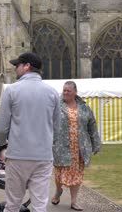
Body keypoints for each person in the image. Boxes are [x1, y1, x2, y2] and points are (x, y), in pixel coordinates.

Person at [0, 52, 61, 212]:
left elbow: (1, 128)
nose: (14, 69)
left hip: (18, 155)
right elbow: (57, 128)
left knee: (12, 205)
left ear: (27, 66)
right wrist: (48, 145)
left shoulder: (11, 90)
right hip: (43, 156)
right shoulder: (52, 92)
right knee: (39, 205)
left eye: (17, 65)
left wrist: (2, 146)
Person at [51, 81, 101, 211]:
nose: (65, 93)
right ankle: (58, 191)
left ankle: (74, 202)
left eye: (68, 91)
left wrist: (96, 144)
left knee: (77, 176)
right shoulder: (56, 106)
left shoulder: (84, 107)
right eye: (64, 90)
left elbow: (92, 126)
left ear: (75, 92)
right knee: (59, 175)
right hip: (60, 147)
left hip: (79, 148)